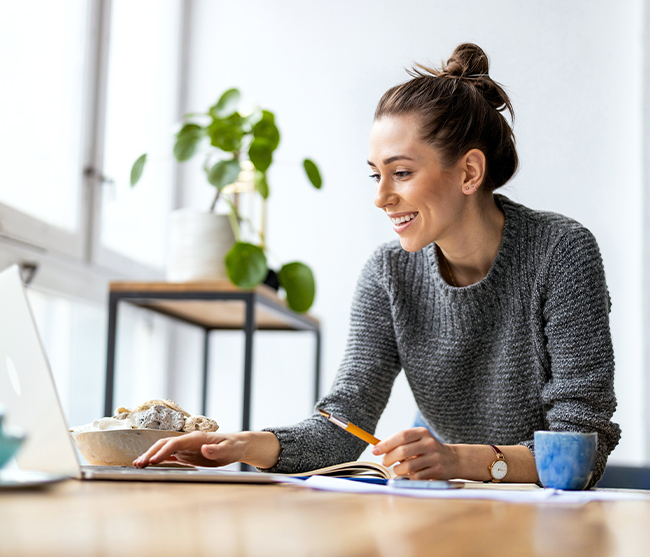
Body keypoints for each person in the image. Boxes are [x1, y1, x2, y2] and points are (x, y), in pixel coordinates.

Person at [135, 43, 621, 486]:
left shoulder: (561, 252)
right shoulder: (389, 273)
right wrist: (245, 446)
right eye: (376, 175)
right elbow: (344, 424)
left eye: (401, 173)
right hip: (445, 501)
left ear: (469, 172)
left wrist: (455, 460)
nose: (381, 197)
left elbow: (581, 449)